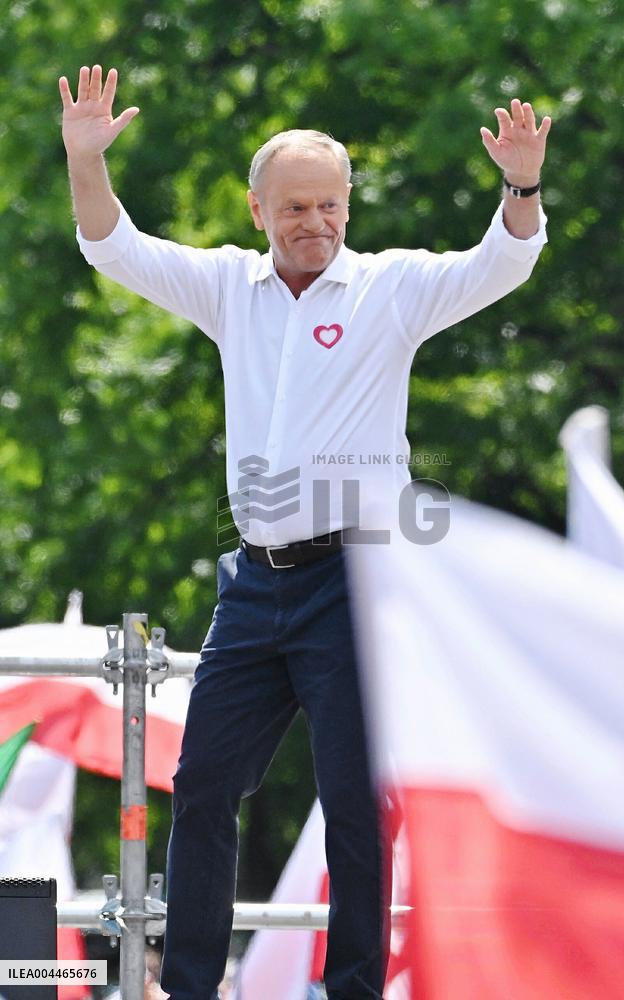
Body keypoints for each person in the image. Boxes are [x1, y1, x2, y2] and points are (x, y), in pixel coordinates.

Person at [59, 64, 550, 1000]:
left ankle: (355, 990)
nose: (313, 222)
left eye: (329, 205)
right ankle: (191, 987)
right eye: (294, 207)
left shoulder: (391, 290)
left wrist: (520, 187)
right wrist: (87, 160)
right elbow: (111, 245)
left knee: (358, 809)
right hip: (253, 585)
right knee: (202, 786)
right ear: (257, 209)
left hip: (356, 584)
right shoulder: (228, 288)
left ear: (349, 208)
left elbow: (503, 261)